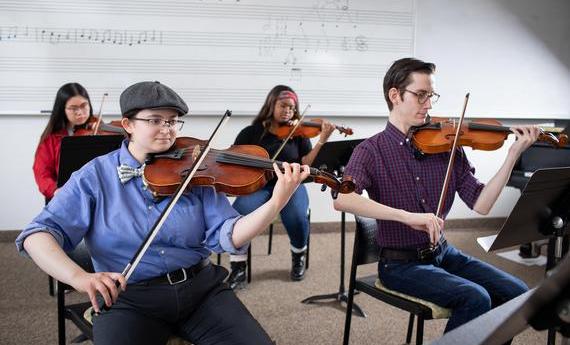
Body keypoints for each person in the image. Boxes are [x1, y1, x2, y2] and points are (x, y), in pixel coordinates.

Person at [16, 81, 310, 345]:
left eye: (172, 121)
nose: (167, 129)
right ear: (127, 124)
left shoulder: (195, 169)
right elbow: (36, 235)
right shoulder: (94, 176)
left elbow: (229, 234)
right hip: (129, 299)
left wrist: (276, 203)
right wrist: (80, 278)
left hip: (201, 291)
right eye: (155, 120)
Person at [333, 58, 539, 334]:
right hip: (399, 264)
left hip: (443, 253)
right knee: (475, 298)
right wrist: (406, 217)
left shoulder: (448, 145)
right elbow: (342, 199)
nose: (429, 105)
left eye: (431, 96)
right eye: (421, 95)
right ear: (395, 95)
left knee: (517, 293)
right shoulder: (371, 151)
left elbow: (482, 204)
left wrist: (512, 156)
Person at [226, 85, 335, 288]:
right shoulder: (252, 132)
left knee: (296, 216)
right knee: (239, 213)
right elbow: (235, 159)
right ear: (271, 105)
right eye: (283, 105)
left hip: (290, 184)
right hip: (259, 184)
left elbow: (306, 164)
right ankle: (238, 266)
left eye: (292, 108)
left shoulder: (299, 134)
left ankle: (298, 255)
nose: (288, 111)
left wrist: (321, 141)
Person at [33, 82, 94, 200]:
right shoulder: (51, 138)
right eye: (73, 108)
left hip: (93, 196)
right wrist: (55, 190)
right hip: (63, 197)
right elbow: (42, 172)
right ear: (62, 109)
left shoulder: (98, 130)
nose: (80, 112)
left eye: (84, 105)